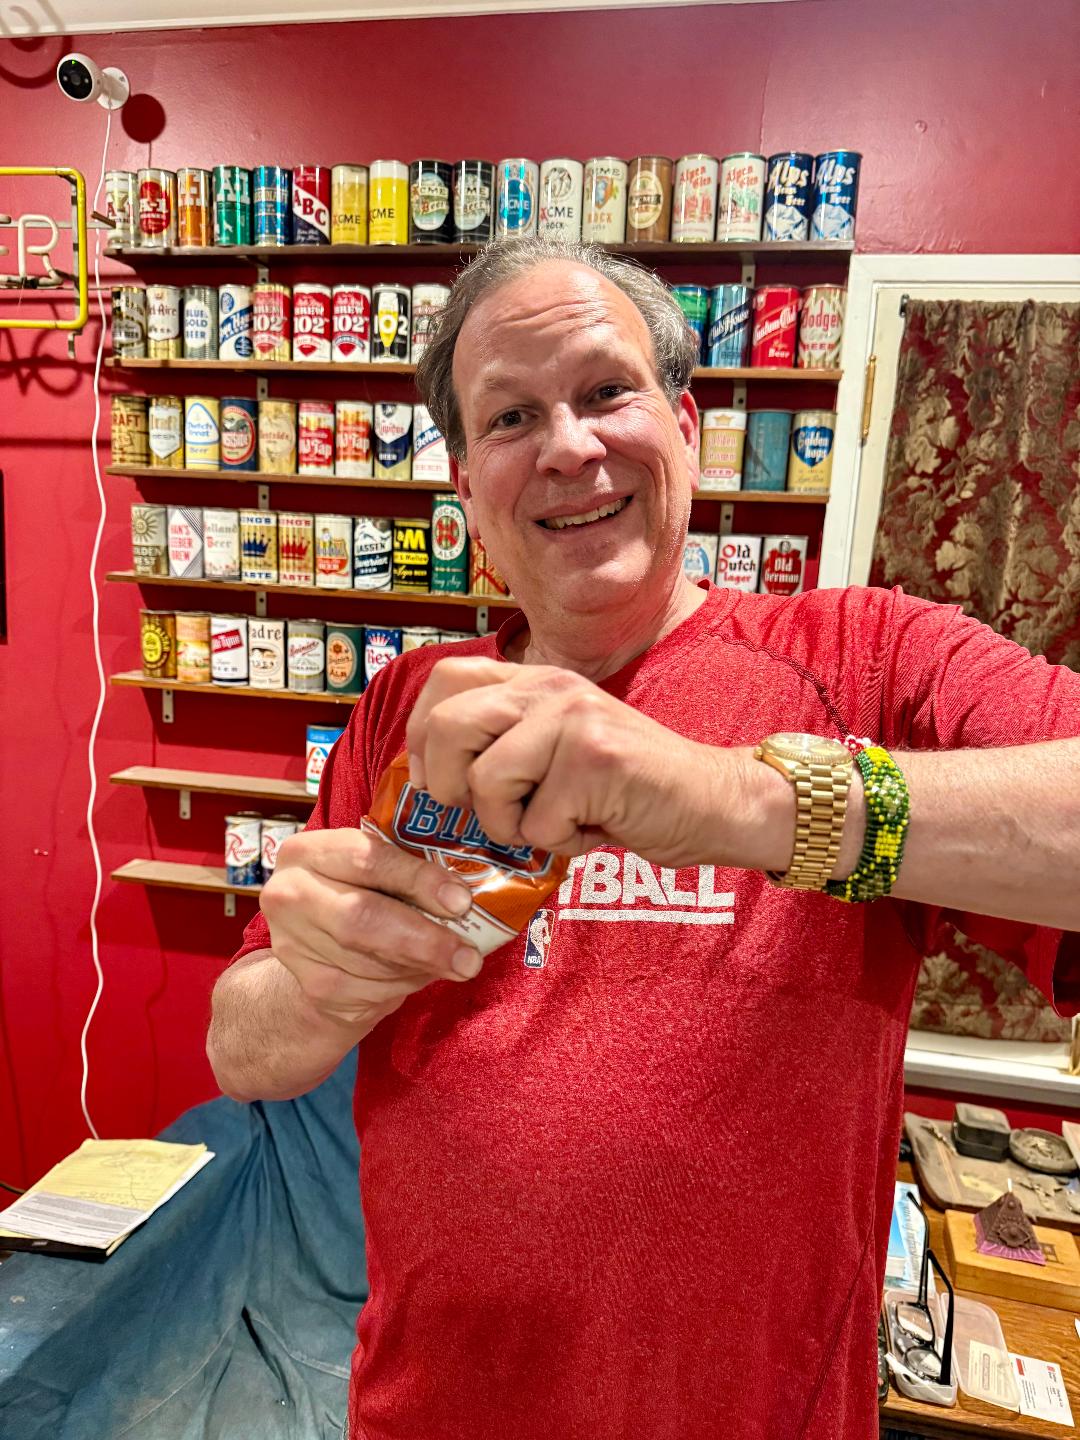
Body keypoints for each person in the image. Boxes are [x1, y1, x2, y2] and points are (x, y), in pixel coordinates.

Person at [208, 238, 1080, 1440]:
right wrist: (317, 983)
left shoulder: (870, 659)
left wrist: (739, 800)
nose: (568, 447)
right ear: (466, 487)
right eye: (511, 417)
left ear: (685, 424)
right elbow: (243, 1051)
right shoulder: (413, 707)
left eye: (606, 390)